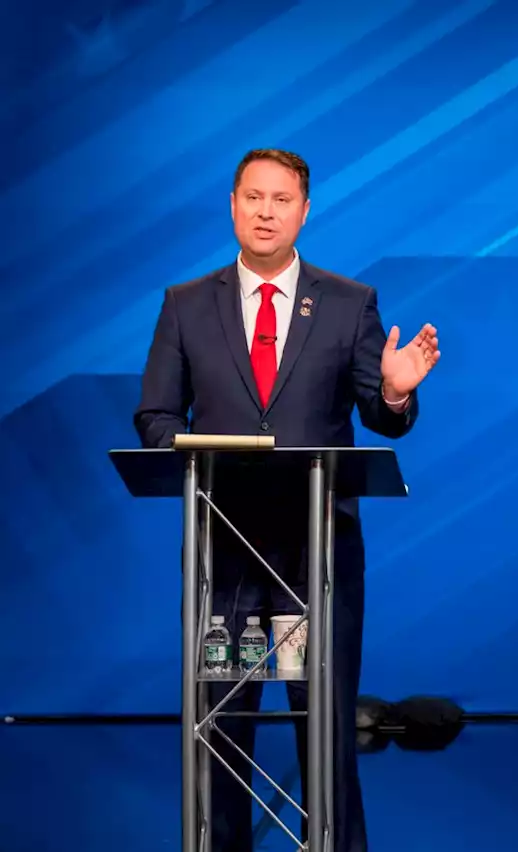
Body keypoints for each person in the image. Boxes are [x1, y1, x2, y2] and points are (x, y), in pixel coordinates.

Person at [135, 148, 441, 852]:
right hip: (227, 561)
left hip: (316, 559)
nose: (266, 211)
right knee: (223, 728)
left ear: (305, 211)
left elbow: (382, 415)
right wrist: (195, 452)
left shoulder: (348, 303)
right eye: (253, 197)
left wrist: (395, 389)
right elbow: (154, 417)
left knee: (325, 728)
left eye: (281, 199)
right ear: (233, 205)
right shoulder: (185, 305)